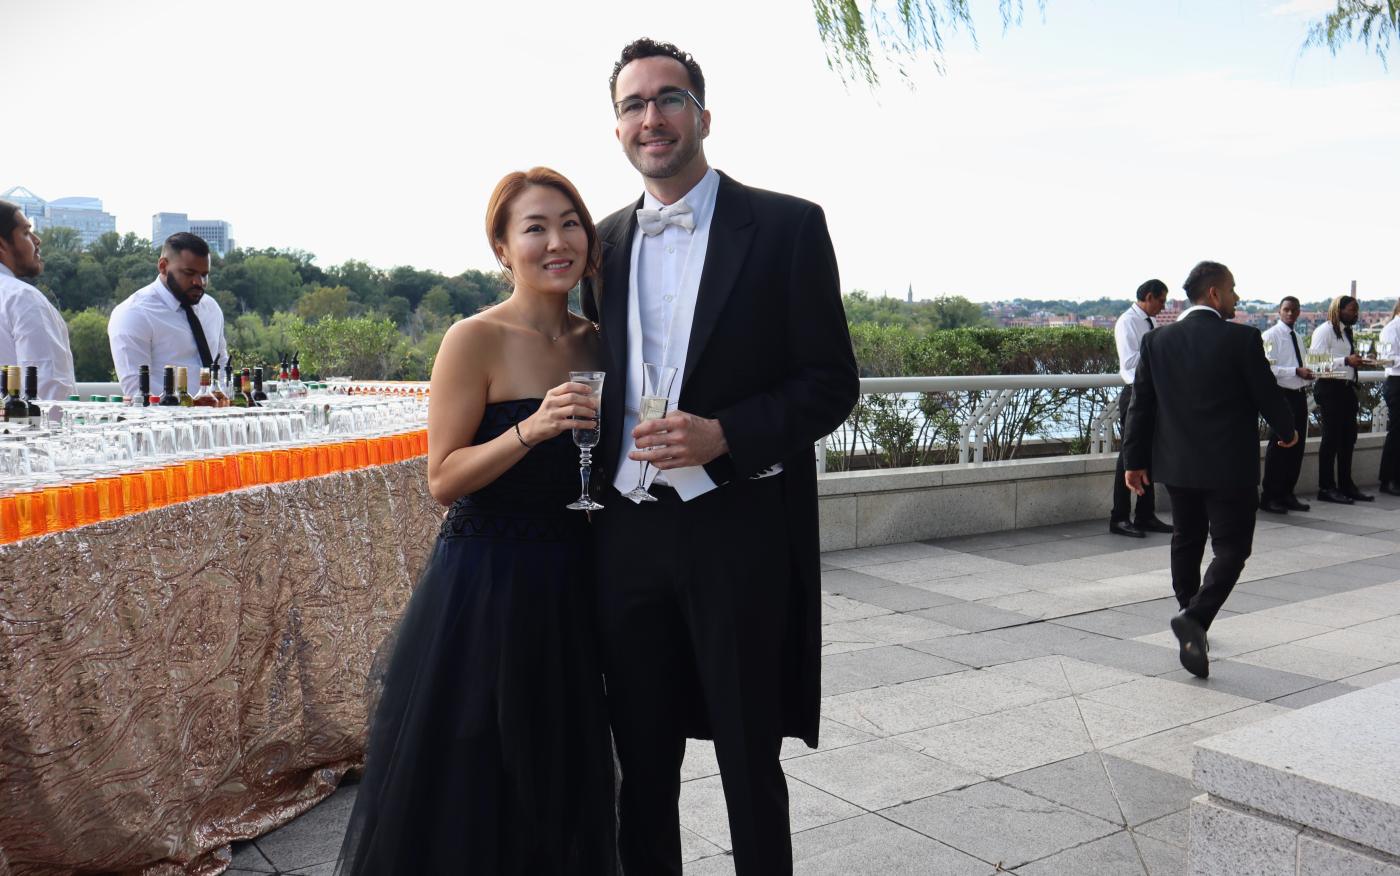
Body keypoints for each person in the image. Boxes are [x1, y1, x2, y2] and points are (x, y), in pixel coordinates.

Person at [581, 38, 858, 876]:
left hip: (735, 527)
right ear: (618, 126)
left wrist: (726, 435)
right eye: (633, 105)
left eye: (668, 99)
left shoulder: (786, 226)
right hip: (624, 538)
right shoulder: (597, 245)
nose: (651, 118)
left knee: (748, 760)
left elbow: (831, 383)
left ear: (702, 114)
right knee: (641, 769)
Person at [336, 168, 615, 874]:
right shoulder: (473, 338)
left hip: (574, 581)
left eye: (570, 223)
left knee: (562, 774)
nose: (558, 241)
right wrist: (533, 428)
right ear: (501, 248)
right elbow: (442, 479)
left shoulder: (598, 343)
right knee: (474, 782)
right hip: (486, 582)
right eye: (535, 228)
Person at [1123, 261, 1296, 679]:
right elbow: (1265, 392)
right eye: (1233, 289)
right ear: (1215, 294)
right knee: (1233, 548)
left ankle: (1188, 611)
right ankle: (1196, 618)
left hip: (1176, 464)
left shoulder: (1157, 341)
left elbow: (1141, 405)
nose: (1237, 297)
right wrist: (1288, 429)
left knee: (1186, 538)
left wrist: (1134, 461)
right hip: (1229, 466)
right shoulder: (1241, 338)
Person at [107, 232, 229, 403]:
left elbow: (222, 367)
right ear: (163, 266)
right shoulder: (133, 314)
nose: (199, 282)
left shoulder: (211, 308)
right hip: (162, 423)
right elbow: (137, 391)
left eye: (204, 274)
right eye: (189, 273)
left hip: (215, 422)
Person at [1110, 279, 1173, 537]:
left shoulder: (1150, 322)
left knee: (1148, 454)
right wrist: (1158, 348)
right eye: (1161, 300)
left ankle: (1145, 514)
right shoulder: (1128, 322)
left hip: (1152, 392)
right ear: (1149, 296)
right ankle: (1119, 517)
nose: (1162, 306)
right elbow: (1130, 363)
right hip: (1135, 393)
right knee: (1129, 454)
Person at [0, 200, 76, 401]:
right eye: (26, 233)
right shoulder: (21, 298)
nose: (37, 240)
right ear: (2, 244)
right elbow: (50, 391)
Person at [1309, 295, 1372, 504]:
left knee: (1348, 439)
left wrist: (1354, 362)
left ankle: (1346, 485)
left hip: (1345, 389)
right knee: (1331, 440)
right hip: (1329, 388)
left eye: (1356, 310)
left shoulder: (1346, 332)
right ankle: (1326, 487)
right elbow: (1315, 363)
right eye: (1352, 309)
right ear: (1339, 309)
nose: (1356, 314)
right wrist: (1345, 360)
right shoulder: (1324, 331)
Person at [1259, 296, 1316, 513]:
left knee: (1297, 447)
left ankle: (1287, 493)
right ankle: (1270, 496)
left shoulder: (1298, 337)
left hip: (1298, 394)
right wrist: (1294, 371)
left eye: (1294, 310)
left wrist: (1307, 374)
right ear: (1279, 311)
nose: (1290, 313)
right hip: (1281, 396)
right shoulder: (1270, 336)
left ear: (1299, 311)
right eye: (1286, 310)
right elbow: (1266, 369)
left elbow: (1300, 365)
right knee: (1280, 445)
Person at [1377, 301, 1400, 495]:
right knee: (1396, 432)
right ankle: (1388, 480)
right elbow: (1386, 357)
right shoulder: (1391, 329)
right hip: (1396, 382)